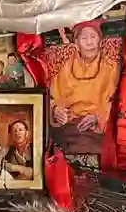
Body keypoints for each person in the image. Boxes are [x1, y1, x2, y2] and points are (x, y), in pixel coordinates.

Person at [48, 22, 118, 155]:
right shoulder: (63, 65)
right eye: (84, 38)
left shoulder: (112, 67)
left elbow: (121, 100)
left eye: (93, 37)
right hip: (70, 126)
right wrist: (55, 111)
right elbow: (48, 97)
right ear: (76, 43)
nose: (89, 42)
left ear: (100, 41)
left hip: (100, 128)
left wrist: (99, 118)